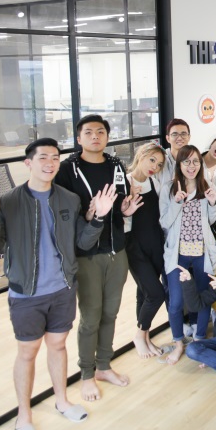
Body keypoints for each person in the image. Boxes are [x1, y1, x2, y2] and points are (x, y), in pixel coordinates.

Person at [0, 138, 113, 430]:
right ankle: (23, 414)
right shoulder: (9, 201)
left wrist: (99, 218)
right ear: (28, 163)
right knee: (27, 352)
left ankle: (62, 401)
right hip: (27, 293)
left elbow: (81, 242)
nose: (50, 163)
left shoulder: (69, 199)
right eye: (43, 158)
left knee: (58, 346)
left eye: (55, 158)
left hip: (62, 289)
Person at [54, 114, 142, 401]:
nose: (95, 136)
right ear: (78, 138)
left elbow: (120, 203)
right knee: (90, 317)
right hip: (87, 255)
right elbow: (62, 214)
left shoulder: (116, 165)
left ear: (107, 136)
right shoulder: (67, 170)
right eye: (89, 132)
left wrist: (126, 211)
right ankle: (87, 374)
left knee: (110, 313)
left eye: (101, 132)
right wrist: (88, 215)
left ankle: (104, 365)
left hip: (116, 251)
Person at [158, 145, 216, 364]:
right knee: (176, 302)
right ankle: (178, 343)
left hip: (202, 251)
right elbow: (164, 222)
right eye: (187, 162)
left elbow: (211, 219)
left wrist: (213, 202)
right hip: (178, 254)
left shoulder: (208, 186)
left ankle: (199, 339)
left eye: (195, 161)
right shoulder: (169, 188)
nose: (191, 166)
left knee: (203, 298)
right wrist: (177, 203)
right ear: (179, 164)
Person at [124, 143, 167, 359]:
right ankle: (139, 336)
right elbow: (118, 219)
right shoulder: (125, 182)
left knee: (144, 293)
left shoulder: (154, 182)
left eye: (159, 165)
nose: (154, 167)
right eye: (152, 160)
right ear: (141, 155)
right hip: (135, 247)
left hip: (156, 244)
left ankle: (146, 336)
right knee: (156, 293)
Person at [161, 118, 191, 184]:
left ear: (189, 137)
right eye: (174, 134)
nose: (179, 138)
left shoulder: (194, 159)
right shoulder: (161, 160)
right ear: (168, 138)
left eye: (183, 134)